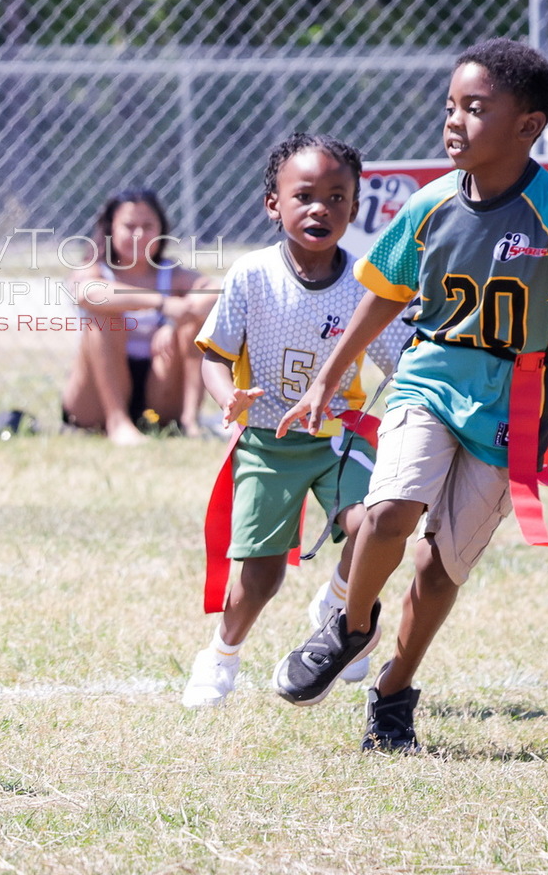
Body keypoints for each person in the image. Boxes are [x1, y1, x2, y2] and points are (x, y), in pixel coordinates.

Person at [270, 38, 548, 752]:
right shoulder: (431, 204)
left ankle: (393, 694)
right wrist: (327, 378)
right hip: (430, 374)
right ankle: (351, 627)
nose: (454, 120)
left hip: (515, 400)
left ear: (527, 126)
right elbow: (386, 295)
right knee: (388, 511)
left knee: (439, 566)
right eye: (451, 105)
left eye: (475, 108)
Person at [179, 133, 409, 709]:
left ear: (354, 209)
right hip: (267, 442)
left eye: (336, 198)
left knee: (375, 520)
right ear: (272, 204)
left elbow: (402, 359)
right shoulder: (252, 274)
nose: (320, 209)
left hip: (339, 438)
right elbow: (213, 356)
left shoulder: (368, 283)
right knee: (260, 575)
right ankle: (221, 657)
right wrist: (228, 397)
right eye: (304, 196)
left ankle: (338, 604)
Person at [61, 188, 215, 443]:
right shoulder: (95, 270)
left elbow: (217, 292)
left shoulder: (171, 274)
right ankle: (117, 422)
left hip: (159, 388)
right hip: (96, 397)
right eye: (129, 226)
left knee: (192, 323)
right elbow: (88, 293)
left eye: (148, 226)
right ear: (110, 229)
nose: (139, 235)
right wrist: (162, 303)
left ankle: (190, 421)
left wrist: (175, 322)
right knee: (105, 317)